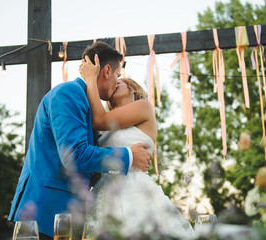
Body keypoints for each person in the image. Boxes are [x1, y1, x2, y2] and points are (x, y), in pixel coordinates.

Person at [8, 42, 153, 240]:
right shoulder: (69, 93)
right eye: (118, 75)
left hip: (65, 217)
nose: (118, 81)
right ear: (107, 70)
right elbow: (74, 155)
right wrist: (128, 156)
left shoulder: (85, 103)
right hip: (43, 214)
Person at [80, 54, 195, 239]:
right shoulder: (107, 126)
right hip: (105, 195)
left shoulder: (143, 107)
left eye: (120, 82)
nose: (115, 83)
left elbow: (98, 119)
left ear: (133, 88)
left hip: (135, 191)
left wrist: (90, 78)